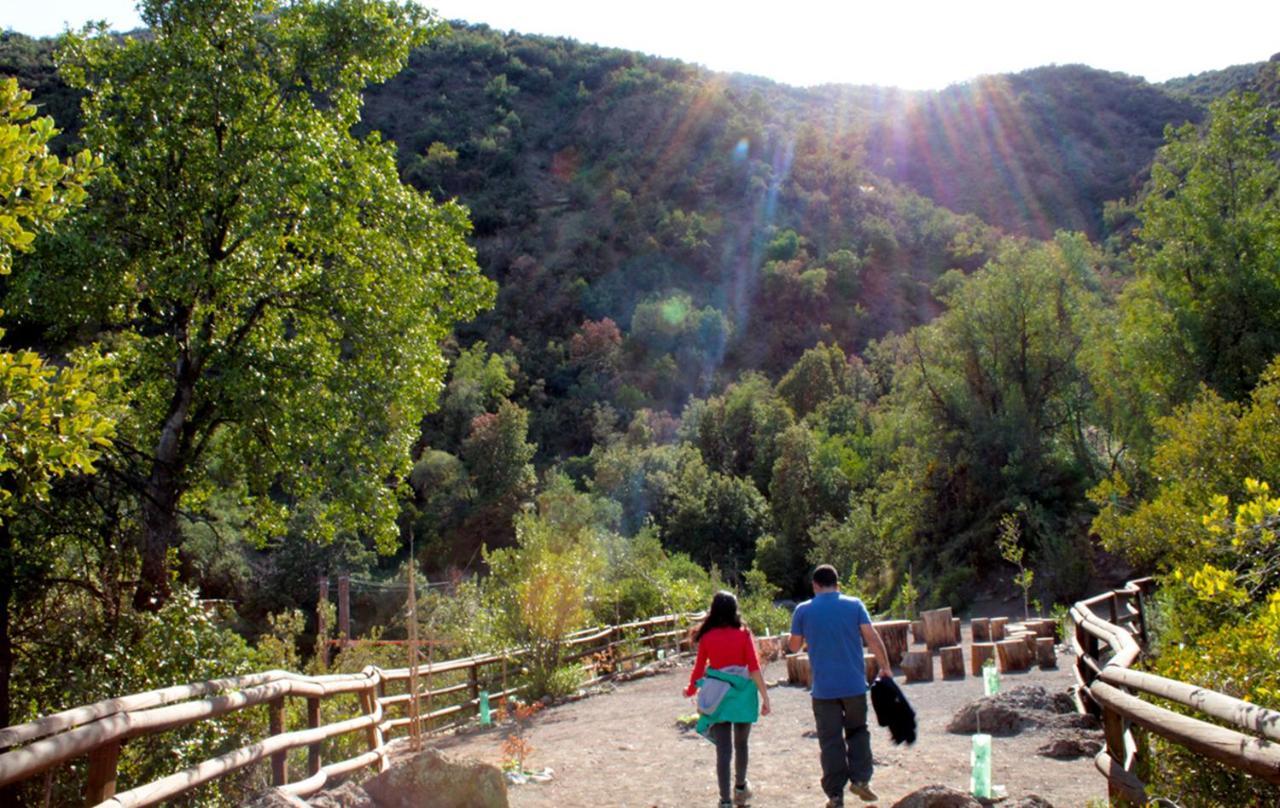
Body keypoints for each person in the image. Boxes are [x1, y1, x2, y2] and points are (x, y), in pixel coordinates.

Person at [789, 565, 893, 806]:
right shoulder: (854, 605)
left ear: (815, 585)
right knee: (858, 731)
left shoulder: (803, 610)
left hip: (824, 689)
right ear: (837, 584)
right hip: (854, 684)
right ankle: (861, 780)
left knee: (830, 740)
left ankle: (835, 795)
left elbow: (793, 647)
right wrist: (885, 666)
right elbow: (872, 637)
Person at [685, 590, 772, 808]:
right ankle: (740, 789)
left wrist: (690, 689)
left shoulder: (707, 637)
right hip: (743, 694)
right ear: (734, 609)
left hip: (718, 696)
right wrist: (765, 696)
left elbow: (698, 669)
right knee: (741, 744)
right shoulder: (743, 634)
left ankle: (724, 801)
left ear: (713, 611)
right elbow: (754, 668)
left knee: (723, 750)